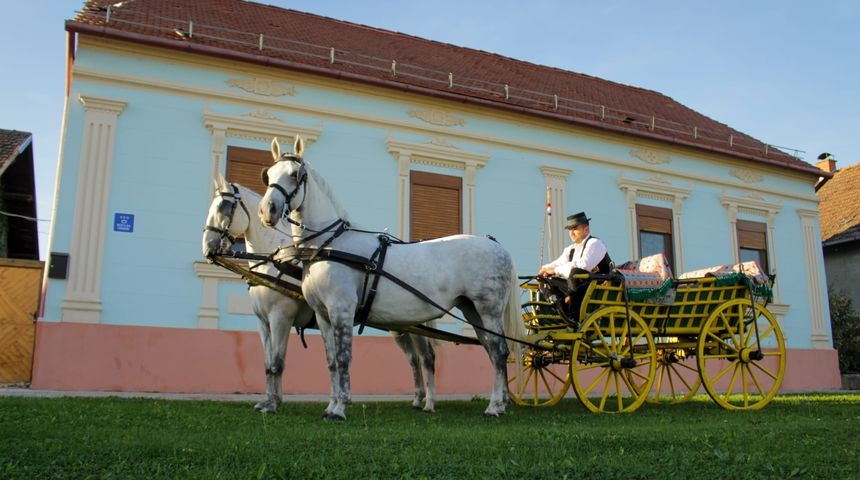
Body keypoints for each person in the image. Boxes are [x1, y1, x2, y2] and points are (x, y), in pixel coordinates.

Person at [538, 211, 612, 322]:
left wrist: (554, 270)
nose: (571, 233)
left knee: (575, 272)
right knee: (546, 280)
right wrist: (544, 269)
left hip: (597, 289)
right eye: (570, 229)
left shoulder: (595, 243)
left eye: (575, 229)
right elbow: (559, 262)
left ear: (586, 229)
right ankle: (558, 314)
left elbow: (583, 266)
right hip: (577, 288)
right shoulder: (570, 249)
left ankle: (573, 317)